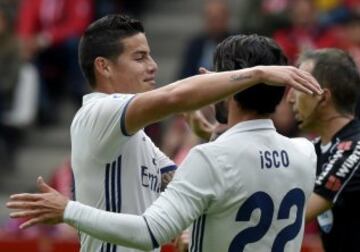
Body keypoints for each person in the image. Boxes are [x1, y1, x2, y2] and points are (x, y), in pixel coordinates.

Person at [7, 34, 321, 251]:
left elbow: (148, 232)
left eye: (217, 78)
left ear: (232, 86)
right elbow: (242, 185)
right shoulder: (304, 152)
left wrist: (68, 210)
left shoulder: (210, 159)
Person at [286, 48, 360, 252]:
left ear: (323, 97)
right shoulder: (316, 149)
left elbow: (291, 218)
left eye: (297, 88)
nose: (290, 99)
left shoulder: (354, 149)